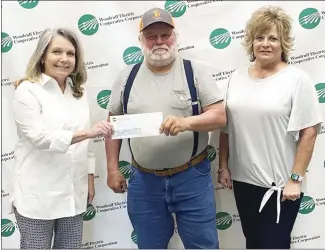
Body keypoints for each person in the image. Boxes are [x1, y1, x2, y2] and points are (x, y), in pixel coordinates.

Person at [105, 7, 226, 249]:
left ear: (175, 37)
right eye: (151, 36)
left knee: (203, 246)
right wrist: (111, 169)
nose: (159, 41)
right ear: (141, 40)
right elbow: (112, 126)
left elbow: (219, 117)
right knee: (149, 245)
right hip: (143, 181)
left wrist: (185, 123)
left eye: (165, 35)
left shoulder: (195, 72)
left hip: (191, 177)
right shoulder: (126, 77)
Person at [218, 6, 323, 249]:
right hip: (244, 183)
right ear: (251, 42)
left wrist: (295, 179)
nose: (266, 44)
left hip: (280, 186)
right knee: (253, 243)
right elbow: (226, 129)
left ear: (283, 43)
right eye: (260, 37)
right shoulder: (235, 78)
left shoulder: (297, 79)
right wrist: (223, 166)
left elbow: (309, 131)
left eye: (273, 38)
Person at [9, 28, 113, 249]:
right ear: (43, 56)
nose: (64, 59)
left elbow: (87, 144)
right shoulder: (27, 91)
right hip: (37, 198)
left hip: (74, 194)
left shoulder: (79, 93)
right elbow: (40, 138)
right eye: (57, 52)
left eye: (71, 53)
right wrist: (89, 132)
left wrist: (90, 178)